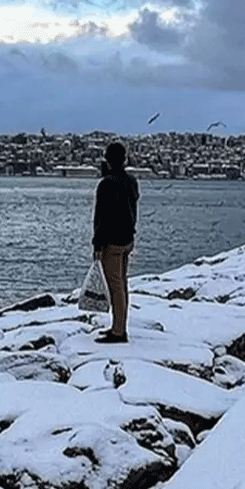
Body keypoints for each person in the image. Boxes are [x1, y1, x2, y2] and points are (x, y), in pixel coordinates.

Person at [92, 141, 140, 343]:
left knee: (115, 286)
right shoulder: (131, 181)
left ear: (107, 160)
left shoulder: (106, 184)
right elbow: (132, 209)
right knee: (122, 283)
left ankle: (118, 331)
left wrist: (97, 244)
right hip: (127, 239)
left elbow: (102, 218)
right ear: (125, 159)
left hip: (111, 241)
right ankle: (119, 325)